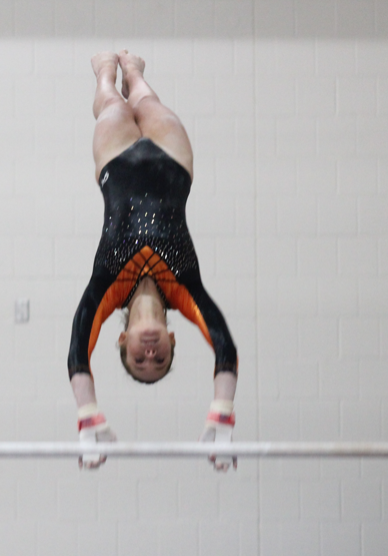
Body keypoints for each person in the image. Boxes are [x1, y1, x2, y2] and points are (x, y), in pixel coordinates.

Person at [68, 51, 239, 470]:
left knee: (111, 103)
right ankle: (135, 71)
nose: (150, 354)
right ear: (172, 341)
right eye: (160, 360)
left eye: (139, 360)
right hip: (173, 162)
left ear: (122, 342)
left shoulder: (109, 288)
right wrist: (221, 416)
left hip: (116, 160)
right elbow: (225, 347)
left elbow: (77, 352)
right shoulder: (184, 289)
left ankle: (106, 72)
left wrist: (89, 419)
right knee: (144, 100)